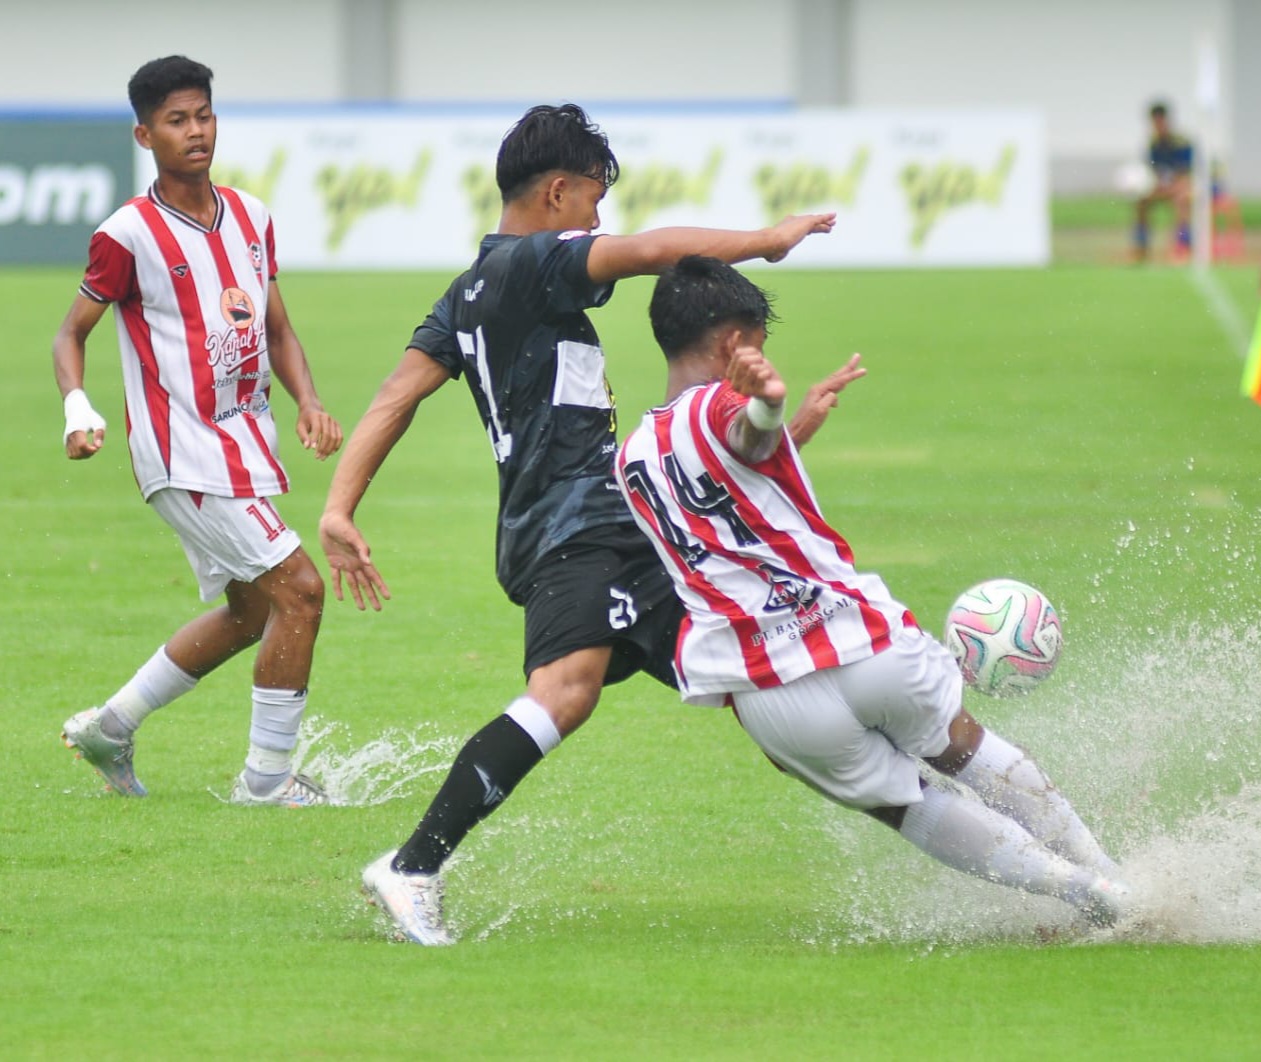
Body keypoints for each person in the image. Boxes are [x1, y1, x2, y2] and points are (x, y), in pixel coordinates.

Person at [320, 103, 851, 944]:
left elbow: (395, 396)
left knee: (753, 677)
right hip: (577, 531)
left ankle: (919, 787)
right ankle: (412, 867)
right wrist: (765, 240)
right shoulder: (537, 262)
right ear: (557, 192)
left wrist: (338, 506)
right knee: (566, 692)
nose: (599, 221)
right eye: (595, 199)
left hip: (608, 530)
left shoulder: (467, 292)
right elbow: (649, 251)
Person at [616, 255, 1134, 927]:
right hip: (853, 640)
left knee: (906, 807)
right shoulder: (723, 405)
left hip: (768, 693)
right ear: (732, 344)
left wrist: (789, 426)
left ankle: (1082, 893)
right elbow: (744, 433)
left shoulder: (631, 457)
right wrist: (769, 403)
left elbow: (728, 485)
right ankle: (1114, 877)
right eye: (760, 345)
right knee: (964, 746)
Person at [54, 56, 342, 806]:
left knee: (253, 611)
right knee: (301, 591)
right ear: (145, 134)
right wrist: (77, 405)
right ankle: (267, 781)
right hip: (181, 453)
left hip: (243, 443)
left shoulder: (251, 217)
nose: (196, 132)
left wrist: (308, 400)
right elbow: (70, 333)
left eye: (204, 115)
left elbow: (276, 327)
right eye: (176, 120)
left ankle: (110, 727)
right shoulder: (127, 234)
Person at [1132, 101, 1193, 262]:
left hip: (1184, 187)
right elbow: (1155, 172)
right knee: (1141, 201)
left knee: (1182, 200)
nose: (1157, 126)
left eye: (1160, 122)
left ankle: (1183, 246)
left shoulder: (1181, 143)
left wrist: (1170, 187)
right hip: (1166, 187)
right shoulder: (1153, 144)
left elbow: (1185, 176)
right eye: (1155, 123)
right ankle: (1141, 248)